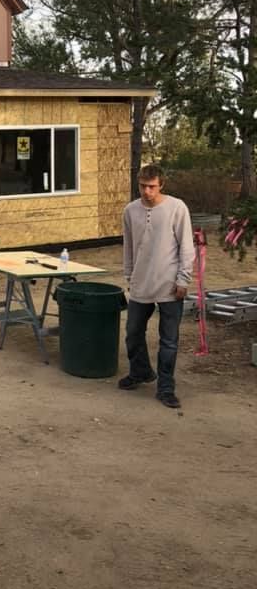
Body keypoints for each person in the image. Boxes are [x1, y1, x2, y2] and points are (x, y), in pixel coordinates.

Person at [119, 164, 195, 409]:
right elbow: (128, 245)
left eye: (152, 186)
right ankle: (141, 371)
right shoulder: (131, 210)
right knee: (133, 332)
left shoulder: (176, 208)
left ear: (161, 184)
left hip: (169, 284)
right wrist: (129, 274)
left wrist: (183, 279)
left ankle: (165, 387)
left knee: (169, 340)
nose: (147, 191)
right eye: (142, 186)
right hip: (141, 282)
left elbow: (186, 246)